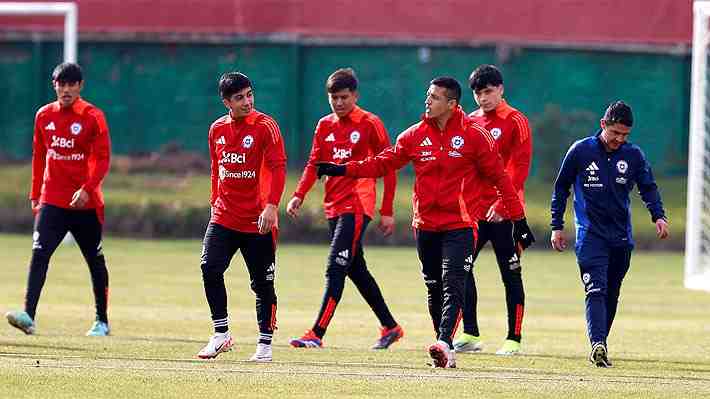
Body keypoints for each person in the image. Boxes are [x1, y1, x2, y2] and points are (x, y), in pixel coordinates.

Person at [318, 76, 534, 368]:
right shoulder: (414, 135)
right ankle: (444, 346)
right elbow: (383, 162)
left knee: (453, 282)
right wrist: (341, 169)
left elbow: (501, 179)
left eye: (434, 97)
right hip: (426, 225)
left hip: (461, 224)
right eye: (427, 96)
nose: (427, 101)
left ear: (451, 103)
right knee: (433, 286)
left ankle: (445, 340)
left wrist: (518, 221)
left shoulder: (474, 135)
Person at [287, 68, 404, 350]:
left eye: (343, 97)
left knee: (335, 266)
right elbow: (314, 164)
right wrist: (298, 194)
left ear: (355, 95)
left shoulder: (370, 123)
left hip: (358, 204)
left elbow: (388, 168)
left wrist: (386, 210)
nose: (338, 103)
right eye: (333, 98)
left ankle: (316, 333)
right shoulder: (324, 125)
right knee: (356, 269)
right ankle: (391, 327)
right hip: (333, 206)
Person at [550, 101, 669, 367]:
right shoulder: (581, 151)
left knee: (611, 293)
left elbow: (648, 187)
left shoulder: (633, 155)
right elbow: (561, 189)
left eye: (625, 135)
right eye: (615, 133)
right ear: (603, 125)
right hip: (590, 235)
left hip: (621, 237)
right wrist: (556, 225)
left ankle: (601, 340)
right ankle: (598, 344)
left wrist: (658, 215)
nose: (619, 139)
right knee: (595, 289)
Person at [5, 62, 112, 336]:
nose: (66, 90)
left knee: (94, 259)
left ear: (80, 86)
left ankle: (102, 321)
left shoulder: (93, 116)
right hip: (52, 199)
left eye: (71, 85)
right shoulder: (43, 116)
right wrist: (34, 194)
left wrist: (88, 188)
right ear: (54, 86)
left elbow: (102, 159)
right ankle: (28, 315)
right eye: (61, 85)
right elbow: (39, 156)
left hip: (85, 203)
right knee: (39, 253)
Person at [196, 72, 286, 362]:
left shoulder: (265, 126)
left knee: (262, 284)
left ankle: (265, 344)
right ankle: (221, 334)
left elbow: (279, 167)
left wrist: (272, 206)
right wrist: (213, 202)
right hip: (224, 215)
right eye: (239, 98)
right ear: (226, 102)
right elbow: (216, 168)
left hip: (258, 219)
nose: (247, 101)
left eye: (249, 94)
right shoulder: (216, 130)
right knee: (209, 268)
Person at [454, 65, 533, 355]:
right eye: (478, 93)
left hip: (507, 212)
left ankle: (514, 338)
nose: (483, 98)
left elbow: (520, 167)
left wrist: (503, 204)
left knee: (510, 272)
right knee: (460, 268)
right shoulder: (470, 121)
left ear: (500, 89)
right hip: (475, 211)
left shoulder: (516, 120)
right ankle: (471, 333)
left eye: (488, 92)